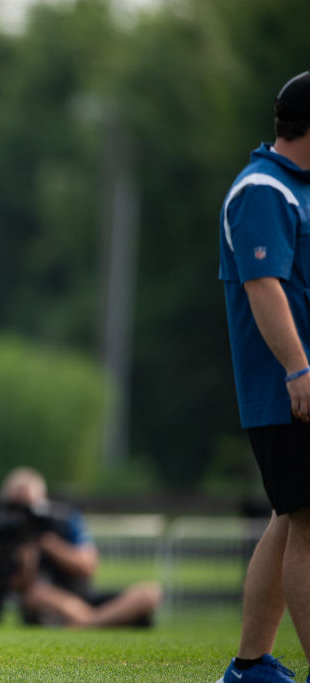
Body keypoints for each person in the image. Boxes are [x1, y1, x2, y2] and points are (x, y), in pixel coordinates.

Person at [216, 70, 310, 683]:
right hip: (290, 391)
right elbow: (263, 286)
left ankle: (250, 666)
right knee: (307, 520)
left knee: (290, 516)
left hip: (299, 385)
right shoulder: (263, 189)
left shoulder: (296, 188)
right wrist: (298, 367)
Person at [0, 467, 161, 628]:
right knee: (36, 594)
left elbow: (87, 566)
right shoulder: (1, 529)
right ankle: (100, 621)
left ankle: (87, 622)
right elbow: (19, 590)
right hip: (47, 604)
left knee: (150, 594)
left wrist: (49, 544)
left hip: (83, 597)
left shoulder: (64, 520)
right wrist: (26, 560)